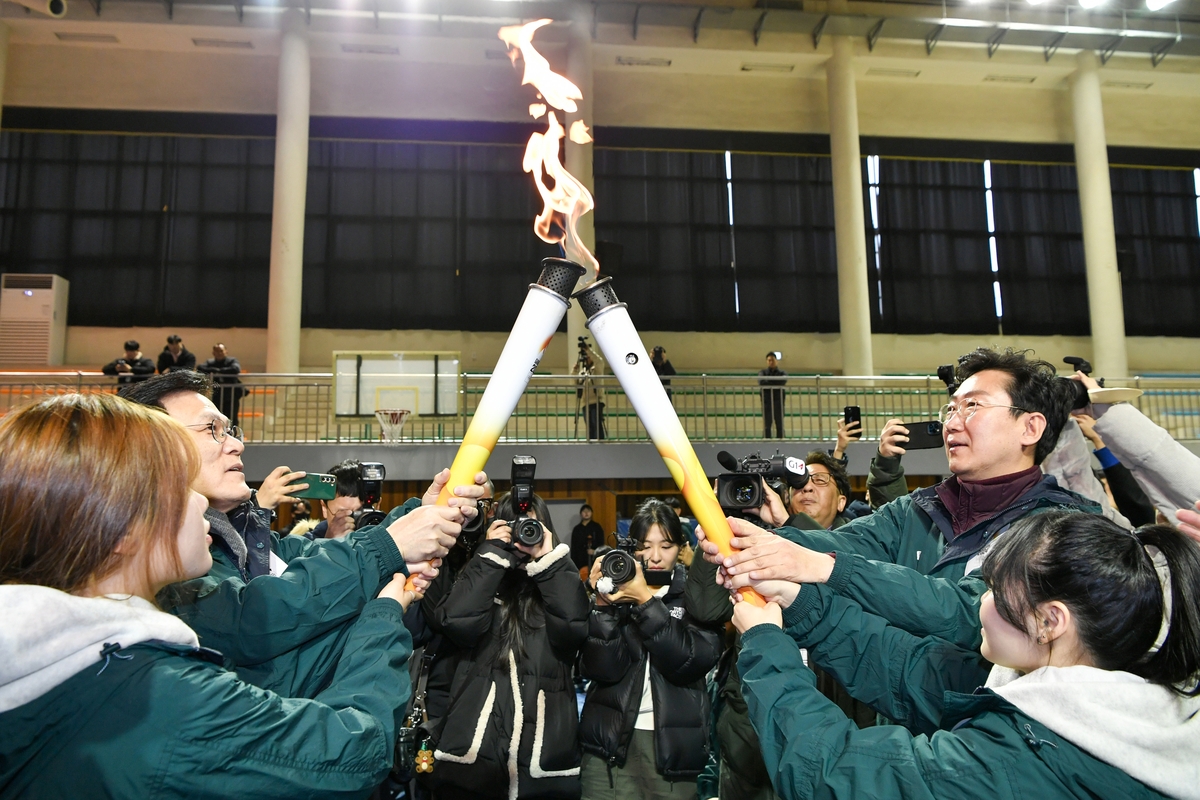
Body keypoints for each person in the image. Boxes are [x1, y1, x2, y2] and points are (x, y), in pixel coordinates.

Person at [0, 393, 435, 798]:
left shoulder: (68, 665)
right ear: (118, 528)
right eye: (178, 487)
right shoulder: (164, 700)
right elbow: (352, 750)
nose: (197, 503)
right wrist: (382, 617)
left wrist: (413, 525)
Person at [699, 348, 1098, 693]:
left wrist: (822, 568)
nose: (952, 423)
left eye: (973, 406)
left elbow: (970, 612)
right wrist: (752, 539)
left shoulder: (1061, 527)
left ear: (1030, 426)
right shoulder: (919, 507)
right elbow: (843, 542)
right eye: (951, 408)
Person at [729, 511, 1200, 800]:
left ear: (1048, 621)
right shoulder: (1120, 697)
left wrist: (767, 646)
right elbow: (910, 670)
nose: (978, 602)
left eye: (993, 589)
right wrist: (801, 604)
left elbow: (834, 773)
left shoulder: (1016, 762)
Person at [120, 370, 485, 698]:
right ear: (154, 448)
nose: (235, 443)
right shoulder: (166, 565)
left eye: (229, 429)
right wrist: (388, 551)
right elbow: (257, 617)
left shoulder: (249, 540)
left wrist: (420, 513)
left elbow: (320, 562)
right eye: (212, 429)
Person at [423, 491, 589, 800]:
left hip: (543, 764)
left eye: (532, 527)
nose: (524, 535)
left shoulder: (560, 586)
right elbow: (456, 623)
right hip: (472, 764)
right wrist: (490, 555)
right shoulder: (481, 579)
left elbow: (574, 630)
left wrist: (550, 561)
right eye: (512, 527)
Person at [579, 499, 722, 800]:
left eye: (666, 545)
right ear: (632, 548)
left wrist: (645, 601)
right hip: (610, 744)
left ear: (682, 548)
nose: (655, 556)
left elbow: (689, 662)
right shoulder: (617, 591)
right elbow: (601, 669)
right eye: (645, 546)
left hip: (673, 749)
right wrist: (603, 607)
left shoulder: (698, 594)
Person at [289, 459, 369, 540]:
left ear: (377, 506)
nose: (353, 522)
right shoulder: (305, 548)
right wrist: (329, 546)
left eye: (361, 513)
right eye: (343, 514)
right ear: (324, 508)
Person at [197, 342, 245, 427]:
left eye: (221, 351)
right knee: (216, 417)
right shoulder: (210, 362)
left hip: (231, 395)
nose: (219, 353)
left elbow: (235, 369)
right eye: (217, 351)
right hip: (216, 394)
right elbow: (200, 368)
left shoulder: (232, 361)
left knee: (232, 417)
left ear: (226, 352)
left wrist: (217, 371)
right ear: (213, 353)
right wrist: (217, 370)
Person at [571, 503, 606, 572]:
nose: (586, 513)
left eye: (588, 511)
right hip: (580, 561)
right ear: (581, 514)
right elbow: (574, 547)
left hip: (593, 559)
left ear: (591, 513)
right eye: (584, 511)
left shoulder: (597, 527)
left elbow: (601, 544)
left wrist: (595, 551)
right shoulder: (577, 529)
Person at [758, 352, 786, 439]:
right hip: (767, 401)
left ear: (776, 361)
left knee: (779, 424)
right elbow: (761, 382)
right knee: (767, 425)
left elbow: (782, 381)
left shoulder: (782, 373)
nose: (771, 362)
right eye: (769, 360)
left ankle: (781, 443)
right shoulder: (762, 372)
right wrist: (775, 383)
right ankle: (767, 443)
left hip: (779, 401)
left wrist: (769, 382)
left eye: (772, 360)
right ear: (767, 361)